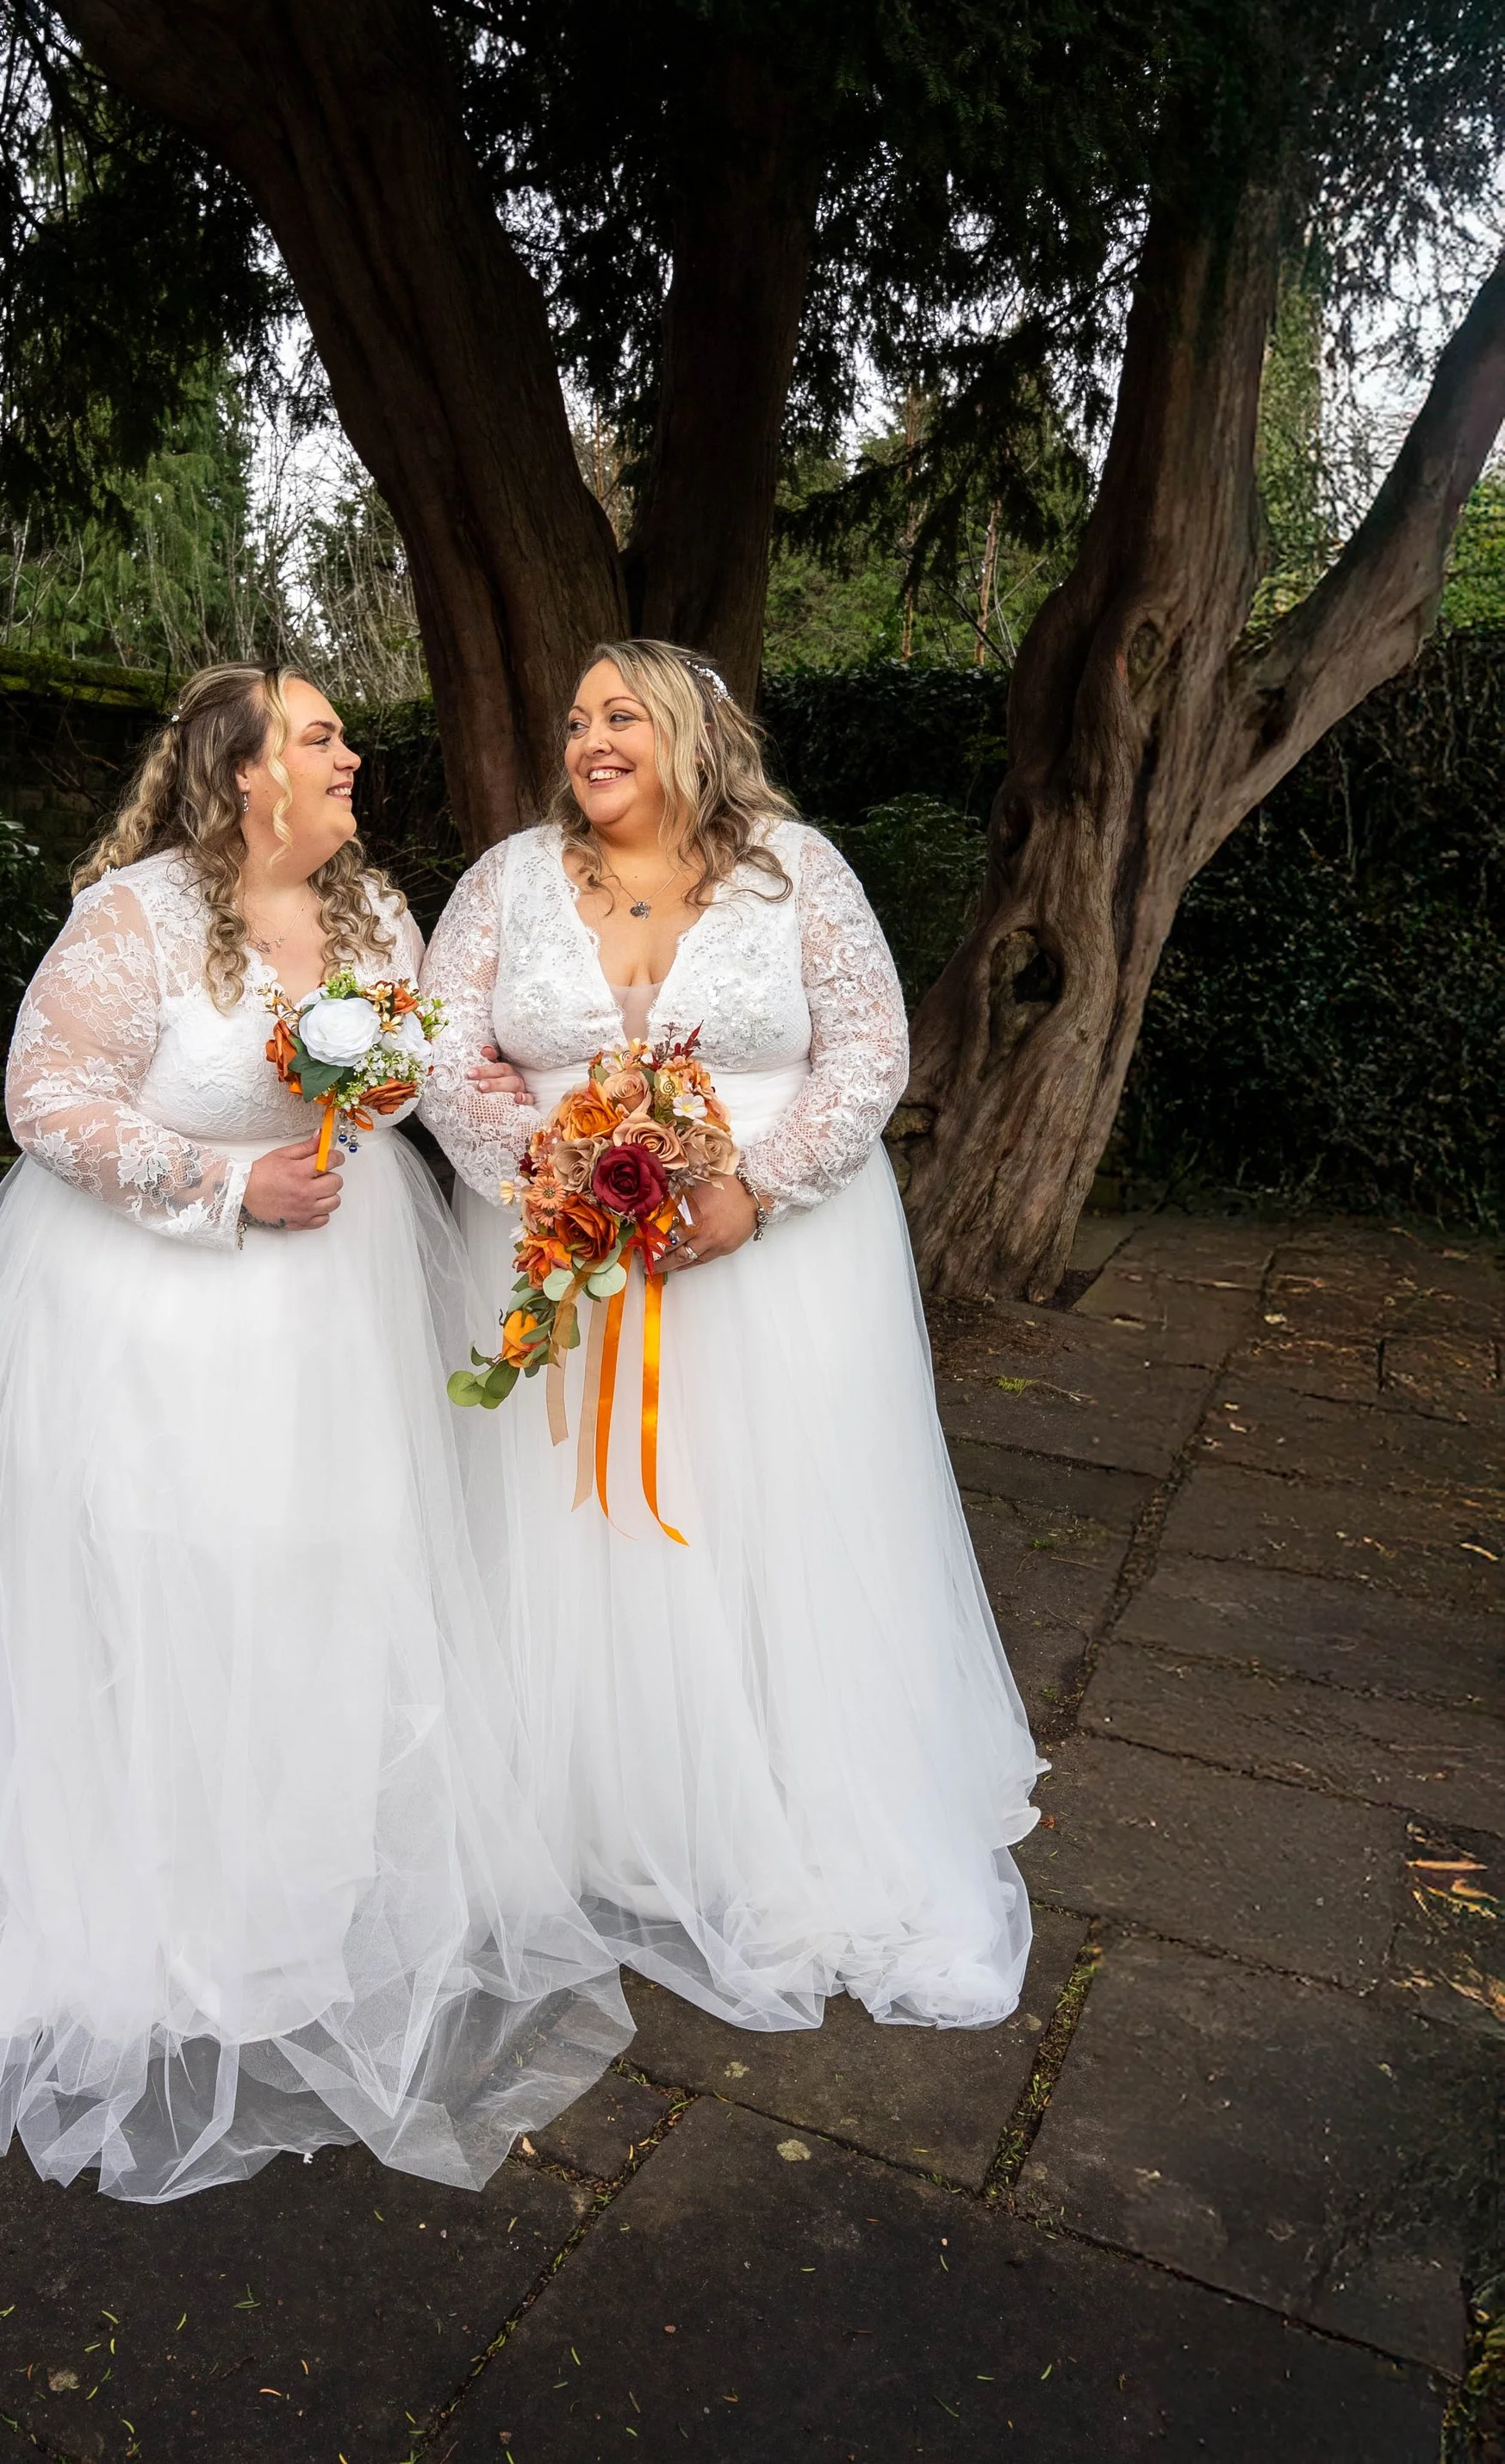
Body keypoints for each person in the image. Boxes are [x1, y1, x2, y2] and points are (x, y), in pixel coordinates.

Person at [0, 663, 629, 2202]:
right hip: (154, 1305)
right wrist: (225, 1188)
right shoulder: (136, 916)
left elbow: (401, 1077)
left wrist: (373, 1083)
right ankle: (143, 1873)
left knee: (326, 1564)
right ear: (243, 774)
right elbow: (45, 1096)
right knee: (161, 1569)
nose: (354, 754)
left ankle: (296, 1859)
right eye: (323, 735)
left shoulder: (369, 913)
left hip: (333, 1304)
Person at [420, 638, 1043, 2032]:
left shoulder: (795, 871)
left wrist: (750, 1190)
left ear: (693, 730)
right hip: (560, 1260)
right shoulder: (506, 882)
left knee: (767, 1521)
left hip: (777, 1267)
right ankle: (598, 1811)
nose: (589, 737)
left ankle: (785, 1804)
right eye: (576, 716)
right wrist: (554, 1174)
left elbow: (872, 1049)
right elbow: (442, 1047)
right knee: (572, 1537)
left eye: (621, 713)